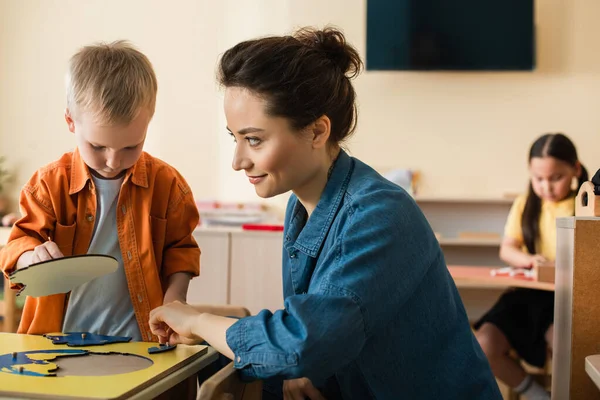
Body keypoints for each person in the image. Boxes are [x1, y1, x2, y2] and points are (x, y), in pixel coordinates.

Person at [149, 26, 501, 399]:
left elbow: (303, 340)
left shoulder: (379, 213)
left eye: (254, 139)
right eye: (233, 138)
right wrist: (298, 371)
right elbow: (322, 332)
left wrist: (198, 320)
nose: (238, 161)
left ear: (317, 132)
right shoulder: (301, 208)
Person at [0, 40, 200, 343]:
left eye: (131, 146)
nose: (113, 161)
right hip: (55, 345)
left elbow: (181, 252)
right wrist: (31, 257)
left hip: (141, 343)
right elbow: (17, 246)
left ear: (147, 124)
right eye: (98, 146)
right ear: (70, 120)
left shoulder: (168, 185)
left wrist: (175, 301)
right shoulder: (48, 184)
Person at [475, 133, 587, 400]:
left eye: (555, 178)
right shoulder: (526, 203)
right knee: (483, 344)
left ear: (575, 169)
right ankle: (537, 395)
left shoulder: (584, 205)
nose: (546, 187)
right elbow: (507, 249)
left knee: (565, 348)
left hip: (565, 298)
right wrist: (529, 259)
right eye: (538, 179)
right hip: (526, 295)